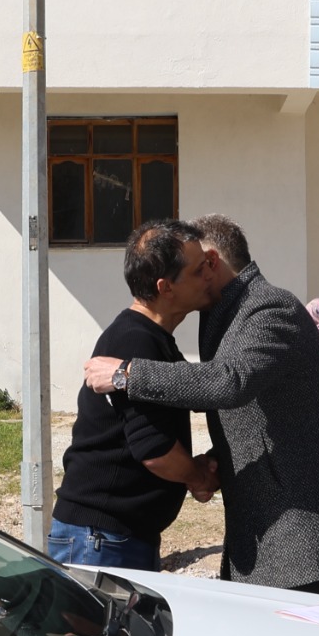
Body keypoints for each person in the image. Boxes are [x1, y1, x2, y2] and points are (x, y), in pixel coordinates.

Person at [84, 216, 319, 596]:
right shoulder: (227, 311)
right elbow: (257, 416)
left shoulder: (270, 308)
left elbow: (230, 381)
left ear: (211, 261)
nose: (195, 277)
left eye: (195, 266)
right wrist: (210, 464)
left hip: (304, 534)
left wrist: (129, 374)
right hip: (273, 532)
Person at [50, 222, 219, 571]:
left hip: (115, 536)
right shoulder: (135, 340)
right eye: (198, 270)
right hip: (99, 538)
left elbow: (194, 390)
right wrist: (197, 476)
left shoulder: (152, 337)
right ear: (165, 287)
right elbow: (155, 451)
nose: (208, 275)